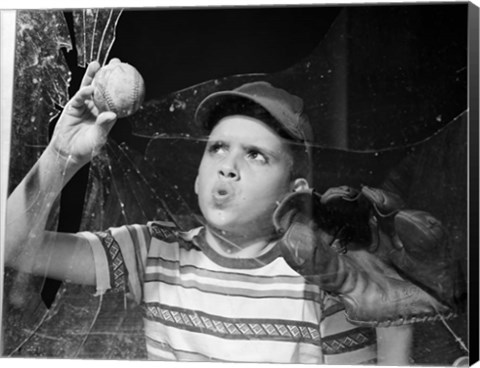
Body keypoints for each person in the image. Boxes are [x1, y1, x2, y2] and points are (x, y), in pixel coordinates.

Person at [5, 59, 414, 364]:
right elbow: (13, 248)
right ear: (199, 178)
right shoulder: (153, 251)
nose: (228, 165)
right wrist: (62, 155)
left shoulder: (322, 281)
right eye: (217, 147)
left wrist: (396, 315)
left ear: (296, 193)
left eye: (255, 155)